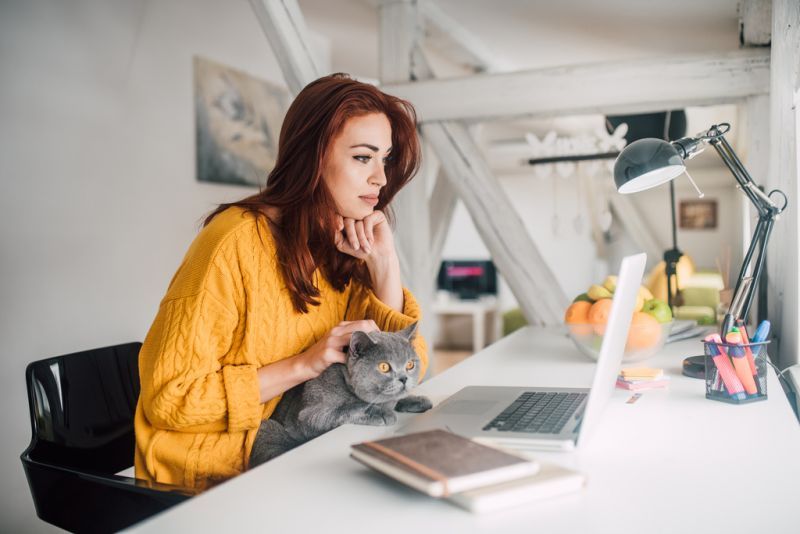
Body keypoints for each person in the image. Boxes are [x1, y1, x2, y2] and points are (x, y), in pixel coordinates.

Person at [134, 73, 429, 491]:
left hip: (299, 447)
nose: (381, 178)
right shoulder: (231, 243)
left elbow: (409, 367)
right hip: (211, 475)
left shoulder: (339, 244)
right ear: (312, 157)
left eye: (386, 159)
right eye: (363, 158)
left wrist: (385, 263)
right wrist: (303, 364)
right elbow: (171, 399)